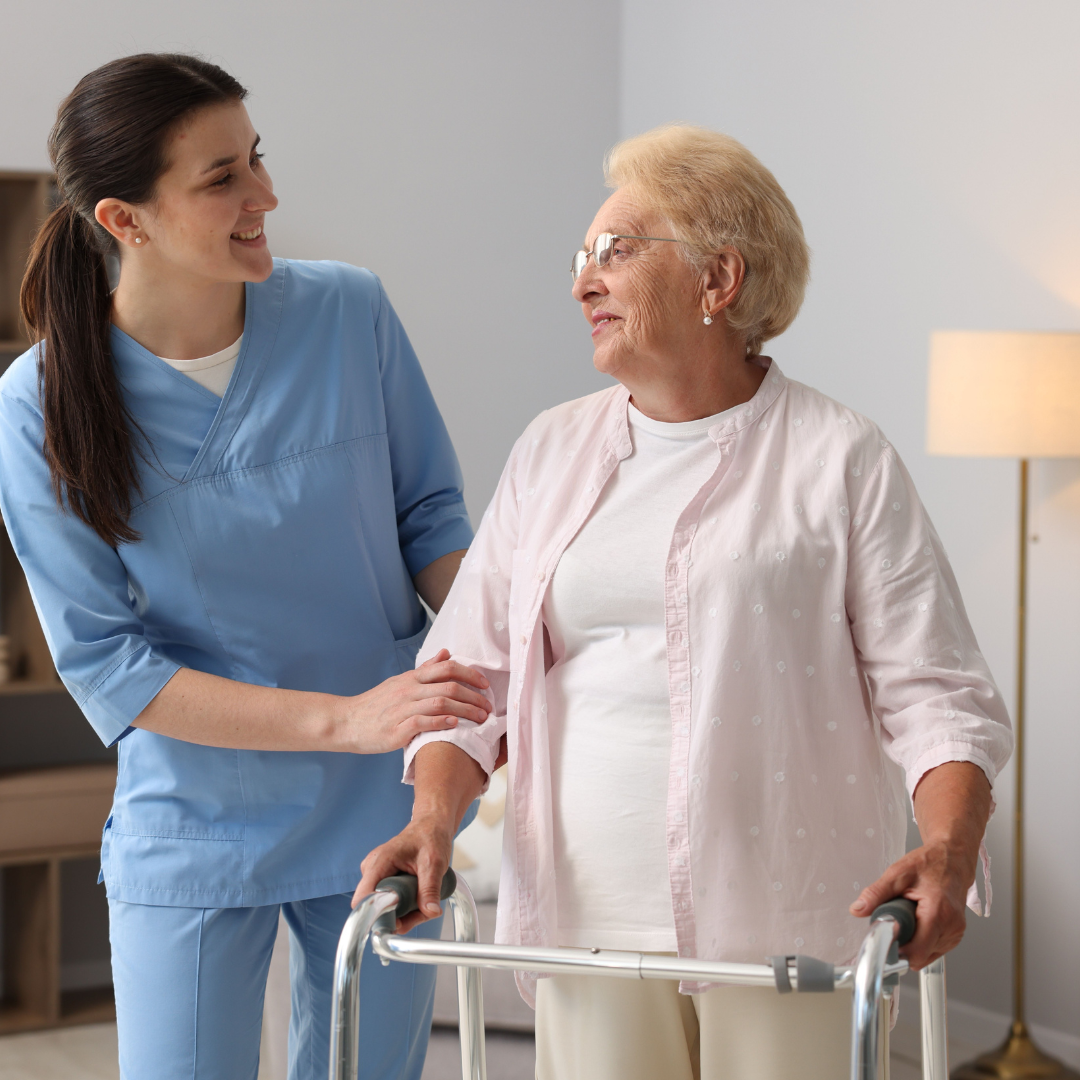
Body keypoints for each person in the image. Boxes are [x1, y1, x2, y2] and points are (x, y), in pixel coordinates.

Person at [355, 125, 1014, 1080]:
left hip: (787, 921)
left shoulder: (841, 458)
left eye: (617, 252)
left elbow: (939, 696)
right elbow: (471, 676)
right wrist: (431, 820)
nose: (583, 282)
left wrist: (949, 848)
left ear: (720, 281)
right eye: (581, 258)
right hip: (582, 920)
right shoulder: (551, 449)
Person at [0, 53, 492, 1080]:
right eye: (221, 177)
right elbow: (110, 666)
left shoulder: (349, 315)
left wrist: (515, 649)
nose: (265, 195)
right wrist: (346, 717)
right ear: (124, 219)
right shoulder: (37, 402)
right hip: (195, 816)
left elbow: (433, 521)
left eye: (255, 159)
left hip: (381, 809)